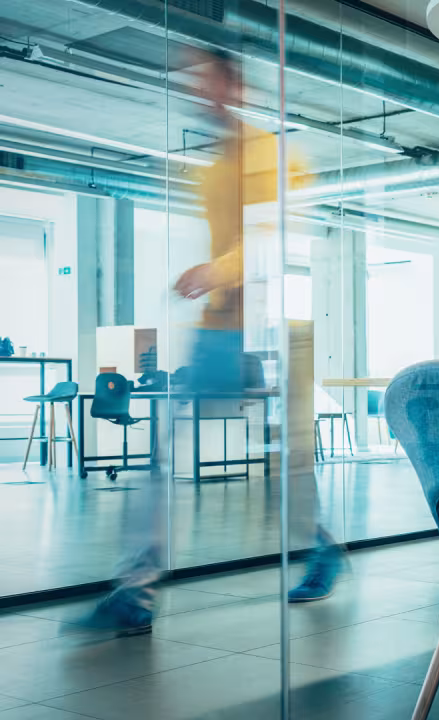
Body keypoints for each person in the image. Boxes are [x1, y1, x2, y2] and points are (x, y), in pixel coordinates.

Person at [88, 49, 341, 634]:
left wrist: (213, 272)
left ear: (235, 84)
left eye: (208, 80)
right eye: (193, 83)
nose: (202, 93)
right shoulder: (210, 170)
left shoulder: (275, 157)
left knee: (291, 459)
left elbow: (270, 245)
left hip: (278, 329)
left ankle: (320, 546)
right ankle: (136, 590)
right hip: (219, 333)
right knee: (164, 449)